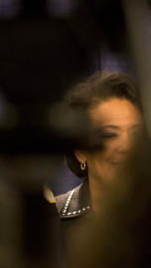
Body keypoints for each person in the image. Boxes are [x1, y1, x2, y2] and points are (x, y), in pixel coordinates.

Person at [53, 72, 142, 221]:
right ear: (80, 151)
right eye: (110, 134)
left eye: (137, 133)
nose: (126, 146)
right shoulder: (53, 221)